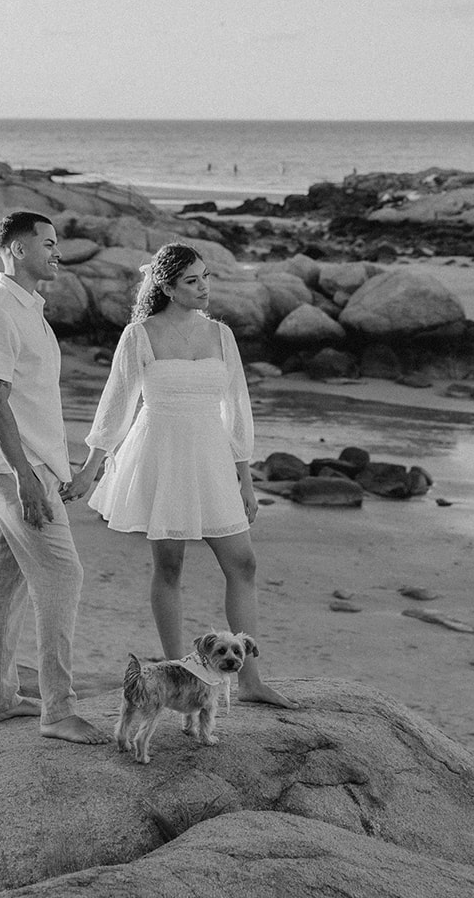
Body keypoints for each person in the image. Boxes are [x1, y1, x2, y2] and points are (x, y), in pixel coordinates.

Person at [63, 243, 291, 706]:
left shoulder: (221, 335)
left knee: (243, 562)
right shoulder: (139, 334)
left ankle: (250, 682)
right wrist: (92, 466)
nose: (204, 287)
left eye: (206, 277)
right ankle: (178, 677)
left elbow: (237, 407)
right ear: (166, 287)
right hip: (161, 454)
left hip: (210, 456)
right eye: (192, 281)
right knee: (170, 565)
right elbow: (118, 402)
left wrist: (244, 477)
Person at [0, 210, 101, 742]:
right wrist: (26, 476)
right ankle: (58, 711)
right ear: (17, 250)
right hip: (17, 467)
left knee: (6, 585)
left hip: (19, 463)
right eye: (46, 243)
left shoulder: (28, 310)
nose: (56, 251)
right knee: (63, 576)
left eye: (57, 242)